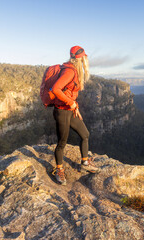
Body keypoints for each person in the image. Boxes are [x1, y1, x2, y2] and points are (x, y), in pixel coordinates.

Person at [51, 46, 100, 185]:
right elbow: (56, 89)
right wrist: (70, 103)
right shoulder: (69, 71)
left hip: (71, 110)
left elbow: (70, 91)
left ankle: (85, 162)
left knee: (85, 134)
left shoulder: (75, 71)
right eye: (85, 57)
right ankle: (59, 170)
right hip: (62, 111)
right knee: (62, 143)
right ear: (80, 59)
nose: (87, 59)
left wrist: (75, 106)